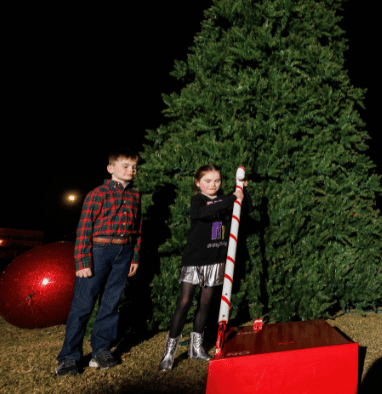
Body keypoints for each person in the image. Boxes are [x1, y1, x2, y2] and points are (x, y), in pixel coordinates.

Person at [56, 149, 142, 377]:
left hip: (123, 253)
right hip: (98, 250)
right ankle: (68, 357)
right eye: (125, 166)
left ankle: (100, 351)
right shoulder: (98, 194)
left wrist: (134, 256)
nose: (130, 171)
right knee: (83, 305)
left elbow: (137, 230)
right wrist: (83, 261)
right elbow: (84, 228)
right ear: (111, 168)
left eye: (133, 167)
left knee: (111, 304)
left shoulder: (135, 196)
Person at [158, 164, 247, 371]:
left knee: (205, 305)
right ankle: (168, 353)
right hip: (195, 260)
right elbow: (206, 212)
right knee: (185, 302)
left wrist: (242, 191)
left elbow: (245, 209)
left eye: (217, 181)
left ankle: (196, 349)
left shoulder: (227, 200)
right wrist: (233, 197)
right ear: (198, 183)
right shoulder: (198, 200)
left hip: (215, 260)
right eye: (208, 181)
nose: (213, 185)